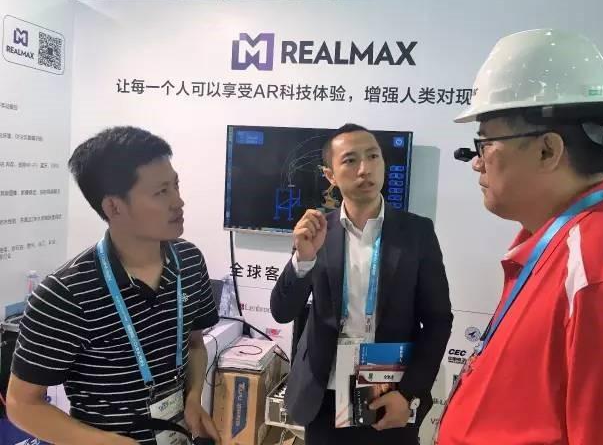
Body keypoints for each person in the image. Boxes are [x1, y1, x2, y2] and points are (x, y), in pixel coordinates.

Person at [438, 29, 603, 444]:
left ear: (548, 150)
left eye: (485, 142)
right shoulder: (563, 241)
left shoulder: (601, 262)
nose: (476, 162)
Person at [6, 126, 221, 445]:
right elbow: (22, 404)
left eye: (175, 185)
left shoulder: (189, 260)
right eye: (161, 192)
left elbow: (194, 345)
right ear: (114, 207)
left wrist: (192, 398)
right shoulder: (65, 294)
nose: (179, 201)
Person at [271, 123, 452, 445]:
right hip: (323, 393)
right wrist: (304, 258)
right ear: (330, 175)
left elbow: (438, 320)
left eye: (373, 156)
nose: (364, 168)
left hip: (390, 389)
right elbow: (282, 312)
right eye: (350, 160)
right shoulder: (316, 231)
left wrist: (408, 392)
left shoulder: (417, 233)